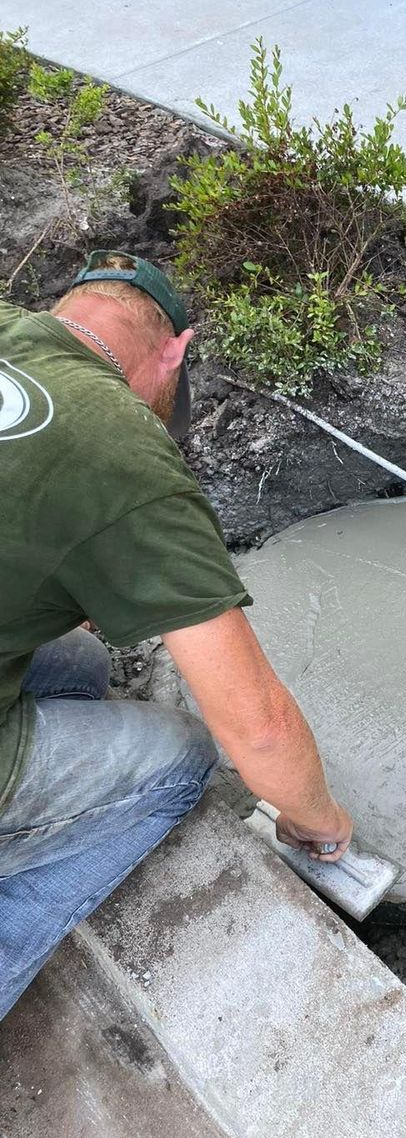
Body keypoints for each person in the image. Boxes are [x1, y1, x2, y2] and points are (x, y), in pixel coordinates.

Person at [0, 251, 353, 1018]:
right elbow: (256, 726)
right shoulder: (120, 452)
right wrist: (316, 821)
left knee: (79, 664)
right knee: (182, 758)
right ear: (176, 351)